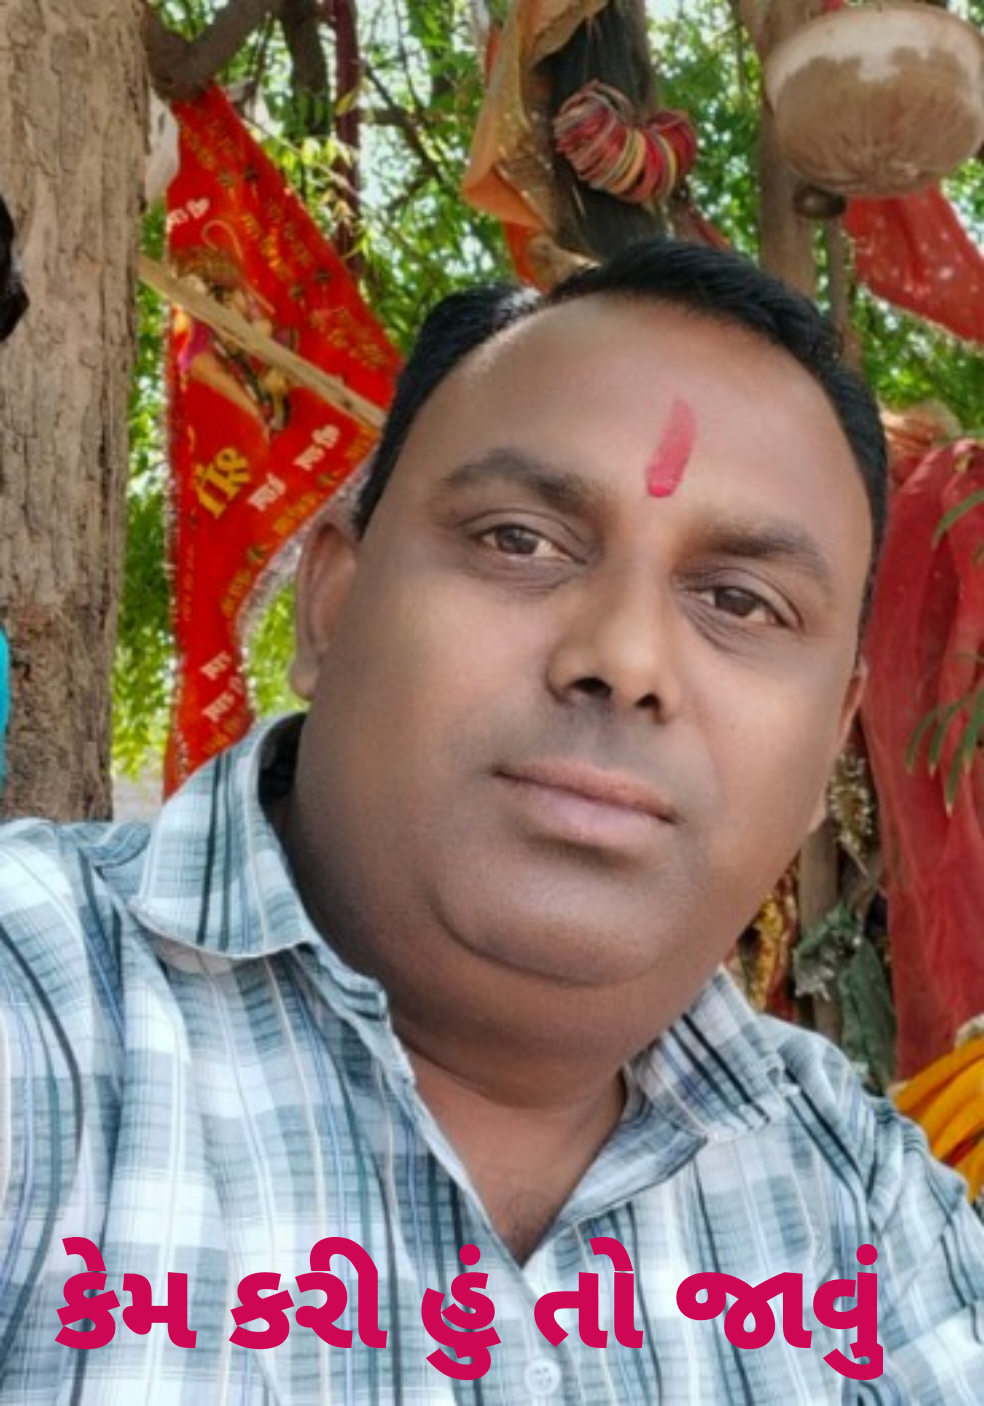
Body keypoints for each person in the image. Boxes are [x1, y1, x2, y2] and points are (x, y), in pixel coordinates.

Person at [1, 238, 982, 1404]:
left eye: (740, 599)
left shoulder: (871, 1205)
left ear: (832, 743)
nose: (625, 657)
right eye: (521, 540)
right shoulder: (40, 1012)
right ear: (331, 604)